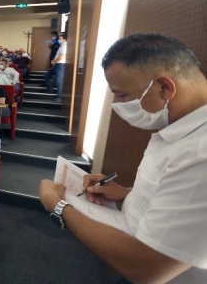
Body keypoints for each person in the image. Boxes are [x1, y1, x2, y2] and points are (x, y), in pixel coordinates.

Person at [39, 33, 207, 284]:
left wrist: (59, 206)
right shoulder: (177, 126)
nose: (116, 104)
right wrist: (127, 193)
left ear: (164, 88)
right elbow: (178, 196)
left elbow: (147, 269)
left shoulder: (201, 153)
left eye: (121, 95)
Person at [43, 33, 66, 102]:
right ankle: (51, 91)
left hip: (60, 64)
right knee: (46, 75)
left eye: (60, 38)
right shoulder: (62, 45)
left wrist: (54, 61)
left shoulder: (65, 45)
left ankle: (59, 97)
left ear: (63, 38)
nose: (59, 39)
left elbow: (62, 56)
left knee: (59, 81)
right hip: (57, 64)